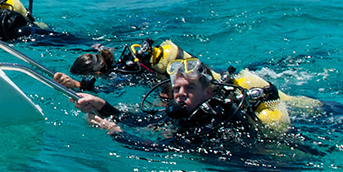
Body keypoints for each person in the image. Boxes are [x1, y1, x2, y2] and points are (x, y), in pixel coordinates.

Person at [73, 59, 260, 151]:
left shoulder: (213, 120)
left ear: (208, 93)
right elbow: (139, 121)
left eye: (190, 88)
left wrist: (116, 133)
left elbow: (163, 149)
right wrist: (101, 104)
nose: (181, 94)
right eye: (177, 89)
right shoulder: (185, 111)